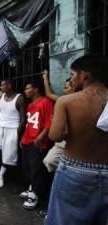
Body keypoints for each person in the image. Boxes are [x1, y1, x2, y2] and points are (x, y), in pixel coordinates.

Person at [45, 55, 108, 225]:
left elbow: (55, 136)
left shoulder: (67, 101)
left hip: (75, 170)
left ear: (85, 76)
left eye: (73, 75)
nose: (71, 79)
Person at [20, 79, 54, 210]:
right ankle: (31, 188)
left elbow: (49, 122)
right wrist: (23, 138)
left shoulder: (46, 102)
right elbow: (29, 124)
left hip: (38, 142)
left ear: (36, 89)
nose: (25, 91)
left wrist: (41, 137)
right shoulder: (30, 105)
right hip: (27, 140)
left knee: (37, 169)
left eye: (28, 88)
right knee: (27, 167)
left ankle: (34, 195)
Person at [42, 70, 74, 172]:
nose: (64, 89)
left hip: (76, 141)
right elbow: (48, 93)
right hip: (62, 141)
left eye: (67, 86)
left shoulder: (81, 102)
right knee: (49, 161)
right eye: (64, 86)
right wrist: (45, 78)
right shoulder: (61, 99)